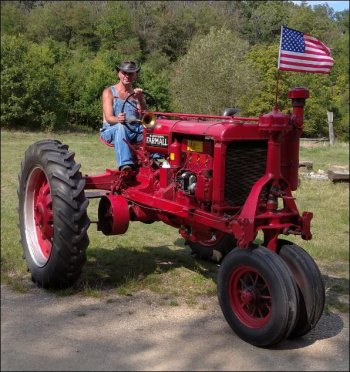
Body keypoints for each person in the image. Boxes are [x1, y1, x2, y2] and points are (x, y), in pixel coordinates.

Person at [100, 61, 147, 171]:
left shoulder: (136, 94)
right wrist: (118, 119)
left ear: (135, 75)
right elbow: (109, 119)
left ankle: (154, 159)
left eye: (130, 73)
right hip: (112, 130)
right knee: (120, 127)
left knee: (152, 127)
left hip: (133, 130)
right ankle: (126, 165)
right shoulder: (109, 92)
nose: (127, 76)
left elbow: (145, 115)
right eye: (124, 73)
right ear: (119, 74)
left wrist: (140, 98)